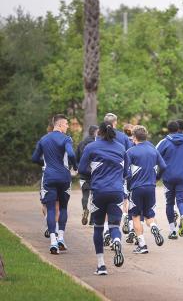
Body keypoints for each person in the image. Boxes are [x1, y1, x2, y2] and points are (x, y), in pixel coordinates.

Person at [78, 122, 128, 275]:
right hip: (116, 191)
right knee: (114, 225)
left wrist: (93, 172)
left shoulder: (91, 147)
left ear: (98, 132)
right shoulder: (120, 147)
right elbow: (127, 172)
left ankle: (101, 265)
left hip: (99, 191)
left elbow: (81, 169)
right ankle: (117, 241)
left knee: (98, 228)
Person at [32, 114, 77, 255]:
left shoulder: (44, 139)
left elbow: (34, 158)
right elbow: (71, 154)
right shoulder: (66, 139)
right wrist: (74, 166)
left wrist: (44, 164)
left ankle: (53, 241)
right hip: (64, 177)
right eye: (67, 124)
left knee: (51, 209)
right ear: (60, 124)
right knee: (63, 207)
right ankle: (61, 238)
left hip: (49, 177)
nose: (68, 126)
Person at [126, 125, 166, 254]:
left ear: (134, 137)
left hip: (136, 187)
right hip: (151, 187)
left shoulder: (130, 152)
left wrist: (128, 183)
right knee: (149, 214)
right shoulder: (153, 150)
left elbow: (125, 171)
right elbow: (164, 166)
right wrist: (157, 178)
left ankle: (142, 245)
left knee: (136, 216)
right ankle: (154, 227)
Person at [157, 121, 183, 239]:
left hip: (168, 176)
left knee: (169, 203)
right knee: (181, 201)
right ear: (178, 129)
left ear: (168, 129)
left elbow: (155, 156)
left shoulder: (164, 142)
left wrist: (158, 175)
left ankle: (173, 231)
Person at [103, 113, 133, 237]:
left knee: (105, 202)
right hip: (120, 172)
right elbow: (130, 153)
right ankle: (125, 216)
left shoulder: (100, 136)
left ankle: (105, 230)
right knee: (124, 198)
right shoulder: (123, 137)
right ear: (115, 122)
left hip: (103, 172)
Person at [76, 125, 99, 226]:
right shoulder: (97, 144)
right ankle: (92, 220)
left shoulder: (81, 143)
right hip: (95, 173)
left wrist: (78, 167)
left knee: (85, 194)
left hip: (84, 173)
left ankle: (85, 209)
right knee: (94, 196)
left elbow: (76, 157)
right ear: (95, 132)